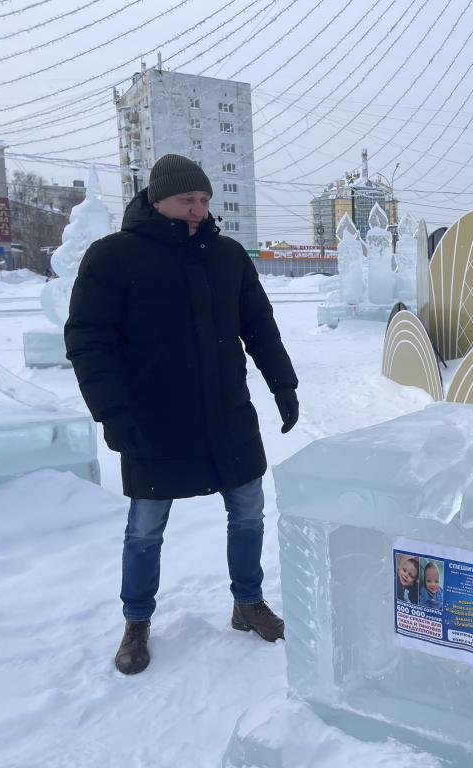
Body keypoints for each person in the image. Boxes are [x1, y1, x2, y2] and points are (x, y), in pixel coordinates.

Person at [65, 154, 300, 675]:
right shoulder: (113, 257)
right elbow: (88, 341)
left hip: (227, 415)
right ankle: (137, 621)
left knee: (247, 511)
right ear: (157, 199)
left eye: (204, 200)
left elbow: (259, 326)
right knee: (145, 528)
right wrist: (111, 412)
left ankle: (247, 601)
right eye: (187, 200)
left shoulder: (227, 256)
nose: (198, 209)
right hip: (154, 421)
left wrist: (282, 383)